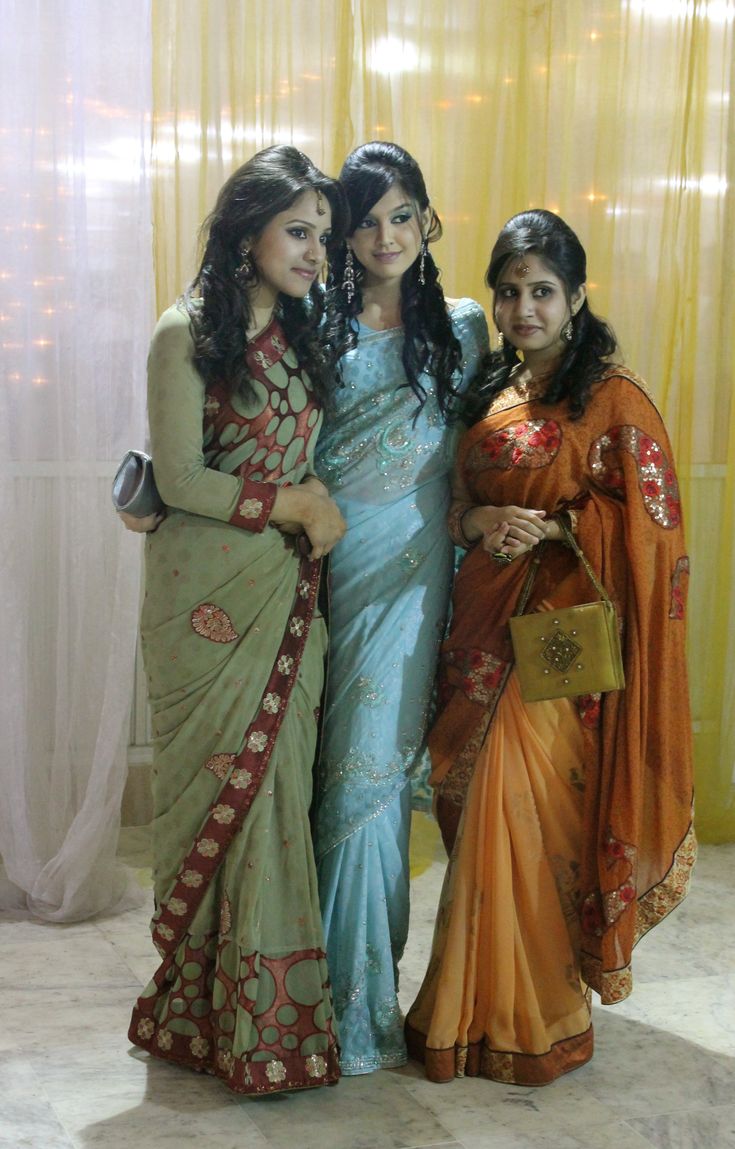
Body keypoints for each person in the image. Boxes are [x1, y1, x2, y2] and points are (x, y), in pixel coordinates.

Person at [404, 209, 696, 1086]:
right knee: (482, 814)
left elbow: (654, 529)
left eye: (540, 291)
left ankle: (535, 1011)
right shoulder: (484, 392)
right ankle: (462, 1006)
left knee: (525, 811)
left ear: (574, 298)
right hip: (481, 632)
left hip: (560, 644)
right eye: (508, 291)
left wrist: (564, 524)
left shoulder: (612, 397)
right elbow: (453, 505)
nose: (522, 307)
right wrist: (484, 519)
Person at [122, 146, 350, 1095]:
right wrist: (292, 505)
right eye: (299, 232)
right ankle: (209, 1015)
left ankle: (270, 1023)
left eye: (323, 238)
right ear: (245, 230)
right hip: (205, 600)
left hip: (286, 598)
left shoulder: (302, 331)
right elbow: (178, 479)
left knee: (277, 791)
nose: (316, 254)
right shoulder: (185, 333)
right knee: (225, 792)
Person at [312, 141, 489, 1075]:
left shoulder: (461, 326)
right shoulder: (316, 320)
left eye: (401, 215)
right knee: (307, 778)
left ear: (427, 221)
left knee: (365, 783)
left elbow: (477, 452)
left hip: (417, 579)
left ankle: (357, 1012)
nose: (385, 235)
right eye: (367, 219)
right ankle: (300, 991)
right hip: (317, 573)